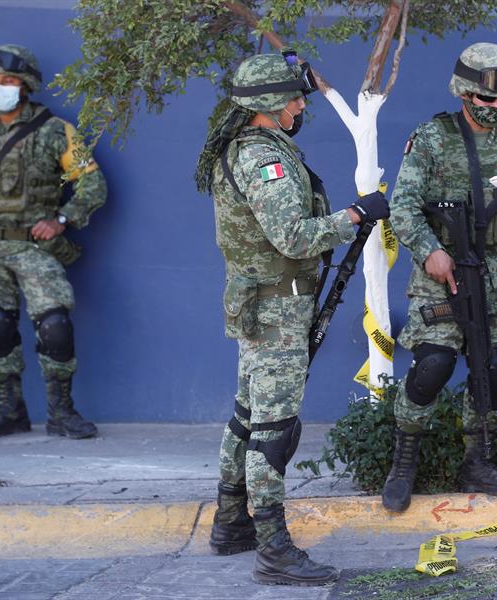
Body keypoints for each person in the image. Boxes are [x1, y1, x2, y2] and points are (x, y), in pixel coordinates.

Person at [194, 51, 389, 586]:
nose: (302, 105)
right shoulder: (264, 159)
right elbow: (294, 237)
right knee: (275, 429)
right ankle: (273, 546)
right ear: (269, 106)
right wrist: (354, 215)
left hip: (266, 301)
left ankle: (231, 521)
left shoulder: (251, 147)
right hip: (277, 308)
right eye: (294, 98)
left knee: (248, 415)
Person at [382, 43, 497, 513]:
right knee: (433, 366)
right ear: (466, 94)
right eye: (489, 101)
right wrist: (430, 252)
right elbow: (402, 205)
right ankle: (403, 462)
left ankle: (478, 460)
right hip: (442, 270)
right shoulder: (431, 138)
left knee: (495, 368)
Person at [0, 44, 106, 440]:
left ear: (25, 85)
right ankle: (10, 410)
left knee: (56, 325)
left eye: (7, 80)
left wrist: (62, 219)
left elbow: (93, 184)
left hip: (34, 247)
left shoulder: (55, 131)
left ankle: (62, 412)